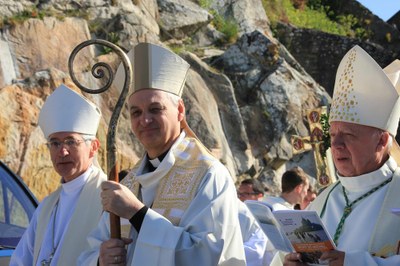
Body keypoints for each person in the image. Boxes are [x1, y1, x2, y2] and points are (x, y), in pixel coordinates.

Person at [78, 42, 246, 265]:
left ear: (179, 111)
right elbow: (91, 250)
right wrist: (100, 259)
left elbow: (207, 255)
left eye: (155, 109)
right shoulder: (127, 183)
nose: (145, 120)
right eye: (136, 112)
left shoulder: (209, 175)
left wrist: (138, 214)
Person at [278, 45, 400, 265]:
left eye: (349, 135)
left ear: (382, 141)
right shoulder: (322, 201)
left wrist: (353, 262)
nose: (335, 144)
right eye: (333, 134)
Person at [10, 84, 107, 265]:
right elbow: (21, 259)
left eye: (71, 142)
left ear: (93, 147)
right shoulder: (47, 206)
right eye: (55, 143)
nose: (62, 152)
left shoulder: (108, 198)